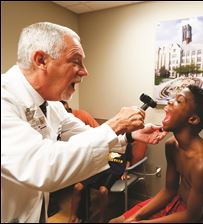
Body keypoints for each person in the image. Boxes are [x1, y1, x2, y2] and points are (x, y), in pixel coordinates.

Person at [1, 22, 167, 223]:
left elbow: (83, 133)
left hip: (33, 211)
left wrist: (129, 136)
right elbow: (42, 166)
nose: (84, 72)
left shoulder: (50, 104)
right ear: (41, 60)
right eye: (76, 61)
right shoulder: (5, 100)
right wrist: (114, 124)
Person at [110, 85, 203, 223]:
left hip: (198, 217)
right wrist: (136, 217)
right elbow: (169, 190)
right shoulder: (171, 146)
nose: (170, 101)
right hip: (177, 201)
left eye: (179, 101)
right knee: (115, 222)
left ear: (192, 119)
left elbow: (192, 216)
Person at [69, 143, 133, 223]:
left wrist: (125, 172)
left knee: (103, 191)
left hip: (114, 170)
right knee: (77, 187)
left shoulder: (127, 142)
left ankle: (101, 219)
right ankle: (73, 217)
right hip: (99, 168)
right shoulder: (108, 139)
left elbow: (128, 160)